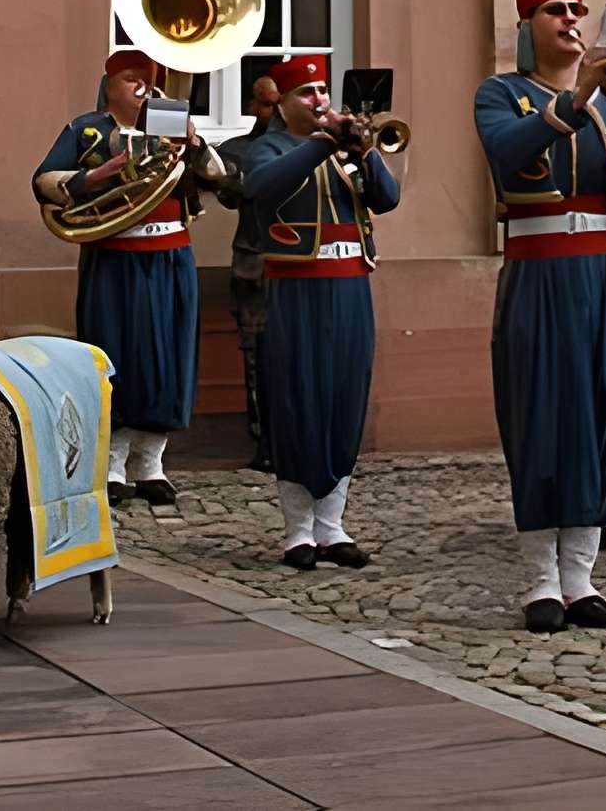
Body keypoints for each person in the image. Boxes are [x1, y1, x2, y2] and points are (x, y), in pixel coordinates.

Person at [477, 0, 606, 632]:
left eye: (577, 10)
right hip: (539, 273)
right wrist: (581, 96)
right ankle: (540, 580)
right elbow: (510, 154)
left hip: (600, 276)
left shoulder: (603, 109)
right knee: (540, 415)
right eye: (555, 10)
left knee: (601, 411)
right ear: (527, 24)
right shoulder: (501, 94)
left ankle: (581, 578)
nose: (570, 20)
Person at [32, 46, 228, 503]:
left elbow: (221, 176)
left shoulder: (172, 128)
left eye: (148, 78)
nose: (142, 87)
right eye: (130, 79)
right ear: (110, 86)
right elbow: (42, 180)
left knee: (167, 356)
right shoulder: (87, 129)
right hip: (116, 253)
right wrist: (95, 175)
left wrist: (195, 142)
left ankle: (152, 461)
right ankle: (113, 462)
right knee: (115, 351)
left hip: (170, 254)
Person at [233, 56, 401, 570]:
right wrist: (322, 144)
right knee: (297, 399)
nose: (320, 100)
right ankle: (298, 531)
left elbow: (388, 199)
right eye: (306, 92)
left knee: (344, 398)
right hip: (296, 290)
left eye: (323, 89)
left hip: (350, 286)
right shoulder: (270, 147)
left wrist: (366, 152)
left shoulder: (344, 151)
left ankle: (333, 525)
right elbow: (261, 189)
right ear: (282, 103)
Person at [213, 76, 279, 474]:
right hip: (253, 263)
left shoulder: (311, 146)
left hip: (297, 264)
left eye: (278, 104)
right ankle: (262, 440)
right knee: (254, 357)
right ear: (254, 106)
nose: (271, 113)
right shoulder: (236, 150)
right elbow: (226, 194)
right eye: (266, 105)